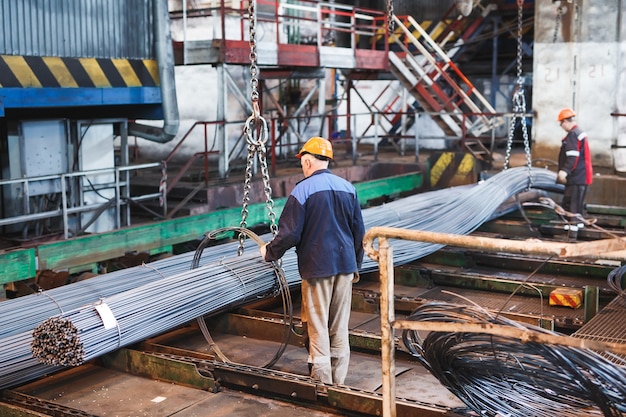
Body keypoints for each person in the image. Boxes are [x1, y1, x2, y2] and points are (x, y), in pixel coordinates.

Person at [260, 136, 365, 385]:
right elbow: (359, 233)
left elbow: (289, 234)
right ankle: (338, 381)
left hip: (318, 268)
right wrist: (355, 266)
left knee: (318, 326)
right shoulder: (348, 188)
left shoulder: (303, 190)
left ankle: (322, 383)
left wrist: (269, 252)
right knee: (339, 326)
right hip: (345, 266)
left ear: (307, 162)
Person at [556, 108, 593, 231]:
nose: (561, 126)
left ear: (565, 121)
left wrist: (565, 171)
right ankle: (578, 223)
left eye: (561, 123)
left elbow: (572, 156)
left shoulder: (573, 134)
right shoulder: (579, 133)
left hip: (576, 176)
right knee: (577, 202)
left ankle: (572, 227)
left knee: (571, 201)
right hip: (582, 175)